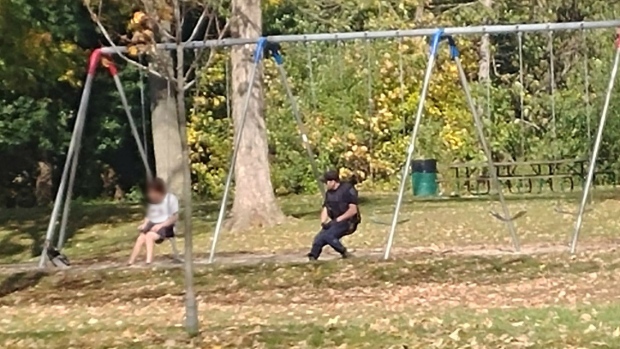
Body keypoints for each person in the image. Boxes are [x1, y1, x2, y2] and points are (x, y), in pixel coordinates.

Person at [307, 170, 361, 261]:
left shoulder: (347, 190)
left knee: (329, 236)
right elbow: (326, 208)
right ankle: (313, 258)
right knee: (318, 239)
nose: (325, 184)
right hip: (336, 222)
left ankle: (345, 253)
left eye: (326, 182)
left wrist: (337, 220)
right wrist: (323, 222)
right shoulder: (329, 193)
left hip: (348, 221)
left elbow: (353, 210)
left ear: (333, 181)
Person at [128, 177, 179, 265]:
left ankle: (148, 261)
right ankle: (131, 262)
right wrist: (144, 224)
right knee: (141, 238)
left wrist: (161, 225)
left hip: (166, 225)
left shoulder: (171, 199)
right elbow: (149, 216)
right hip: (153, 224)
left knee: (149, 236)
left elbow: (174, 217)